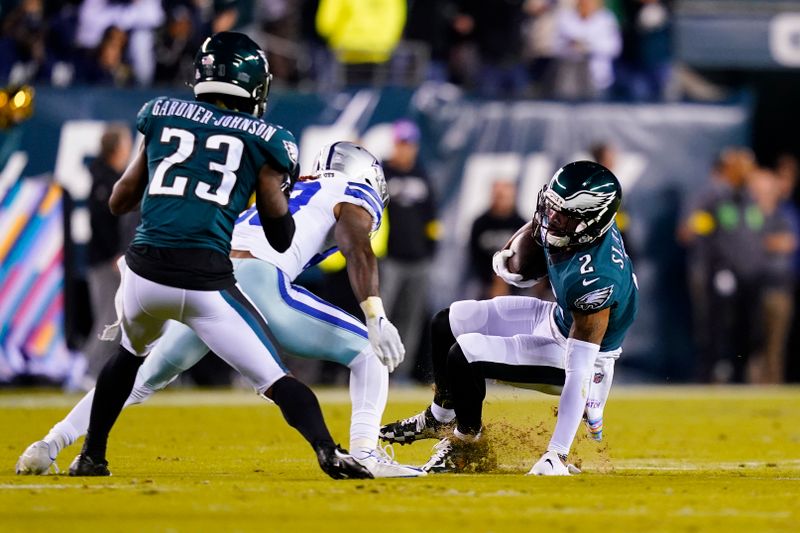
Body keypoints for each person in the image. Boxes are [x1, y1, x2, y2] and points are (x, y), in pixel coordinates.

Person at [61, 32, 370, 480]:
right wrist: (271, 191)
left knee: (127, 358)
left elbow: (118, 201)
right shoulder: (266, 139)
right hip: (206, 283)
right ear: (253, 85)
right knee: (277, 379)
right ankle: (328, 450)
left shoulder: (161, 115)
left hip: (144, 274)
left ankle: (92, 455)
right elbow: (281, 237)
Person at [17, 142, 423, 479]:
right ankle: (366, 453)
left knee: (141, 376)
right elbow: (358, 247)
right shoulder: (352, 191)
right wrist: (375, 315)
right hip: (261, 280)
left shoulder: (293, 185)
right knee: (368, 349)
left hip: (210, 277)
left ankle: (49, 443)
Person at [380, 161, 638, 476]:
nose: (551, 219)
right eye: (551, 208)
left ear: (591, 222)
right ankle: (438, 418)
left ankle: (466, 445)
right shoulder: (575, 228)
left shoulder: (595, 279)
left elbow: (580, 370)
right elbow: (527, 258)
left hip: (583, 355)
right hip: (557, 319)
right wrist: (513, 260)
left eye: (563, 215)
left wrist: (556, 453)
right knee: (446, 322)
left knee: (465, 354)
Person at [380, 118, 440, 380]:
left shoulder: (422, 176)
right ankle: (374, 368)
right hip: (389, 258)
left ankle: (401, 373)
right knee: (382, 316)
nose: (406, 149)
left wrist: (430, 250)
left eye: (410, 144)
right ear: (394, 144)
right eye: (402, 143)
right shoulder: (382, 173)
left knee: (411, 319)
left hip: (419, 260)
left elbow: (432, 220)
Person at [83, 123, 136, 383]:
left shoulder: (111, 176)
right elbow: (102, 223)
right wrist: (116, 253)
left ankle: (100, 373)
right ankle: (87, 372)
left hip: (111, 259)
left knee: (116, 321)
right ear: (116, 148)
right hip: (107, 262)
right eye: (125, 144)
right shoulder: (104, 180)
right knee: (108, 320)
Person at [468, 180, 526, 298]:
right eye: (498, 196)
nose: (500, 201)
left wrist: (507, 280)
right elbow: (474, 257)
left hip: (515, 284)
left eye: (504, 197)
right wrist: (493, 279)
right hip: (485, 283)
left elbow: (526, 260)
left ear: (513, 197)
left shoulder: (522, 225)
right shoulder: (480, 224)